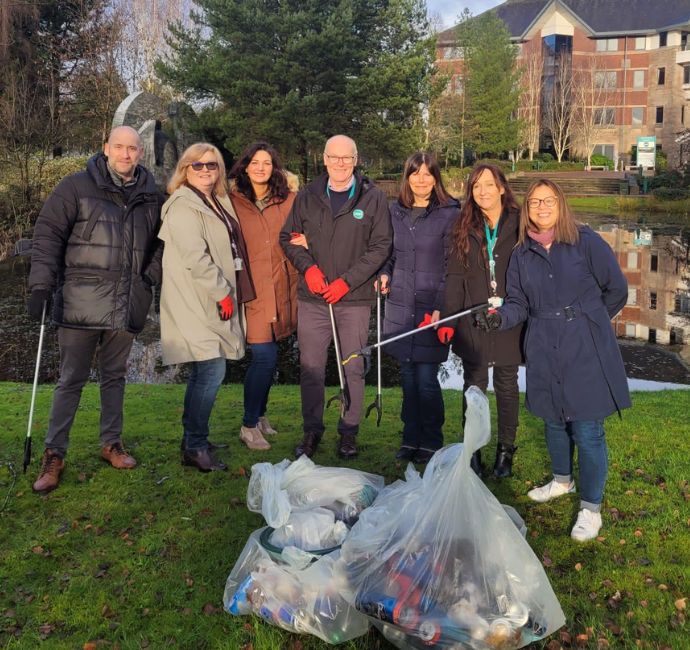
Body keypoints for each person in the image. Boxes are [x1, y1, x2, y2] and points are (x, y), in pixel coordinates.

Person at [477, 179, 630, 541]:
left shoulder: (586, 242)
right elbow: (518, 303)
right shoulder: (521, 253)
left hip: (585, 345)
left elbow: (617, 290)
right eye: (534, 203)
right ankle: (562, 480)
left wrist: (588, 322)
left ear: (560, 204)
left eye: (548, 201)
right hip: (543, 343)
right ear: (527, 209)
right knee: (554, 421)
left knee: (588, 429)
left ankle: (591, 508)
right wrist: (499, 318)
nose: (541, 208)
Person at [28, 126, 164, 493]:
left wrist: (147, 279)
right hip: (79, 301)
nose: (126, 154)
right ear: (105, 148)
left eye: (132, 148)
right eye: (118, 147)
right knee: (70, 379)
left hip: (127, 301)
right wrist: (41, 286)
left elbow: (161, 245)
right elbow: (47, 235)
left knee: (114, 376)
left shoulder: (152, 195)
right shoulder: (74, 186)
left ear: (140, 152)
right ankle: (54, 452)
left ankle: (111, 442)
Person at [279, 135, 392, 460]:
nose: (340, 163)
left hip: (353, 299)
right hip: (313, 300)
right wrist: (308, 268)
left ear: (355, 160)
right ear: (324, 159)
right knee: (311, 367)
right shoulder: (308, 196)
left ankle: (348, 433)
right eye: (334, 157)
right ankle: (312, 431)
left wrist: (346, 282)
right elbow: (287, 238)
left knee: (353, 368)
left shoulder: (373, 198)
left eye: (347, 158)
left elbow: (381, 246)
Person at [158, 143, 255, 472]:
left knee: (202, 372)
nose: (205, 171)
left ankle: (192, 438)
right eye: (197, 165)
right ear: (185, 169)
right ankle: (196, 447)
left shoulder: (215, 199)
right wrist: (223, 294)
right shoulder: (182, 205)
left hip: (210, 298)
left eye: (211, 165)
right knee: (212, 371)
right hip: (197, 300)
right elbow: (196, 259)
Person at [439, 164, 523, 479]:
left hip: (509, 317)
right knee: (474, 384)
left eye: (489, 184)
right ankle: (472, 450)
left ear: (502, 187)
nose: (483, 191)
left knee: (506, 383)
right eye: (476, 186)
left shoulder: (520, 223)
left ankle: (506, 450)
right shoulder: (464, 225)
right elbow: (454, 275)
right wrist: (447, 318)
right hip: (472, 317)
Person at [377, 152, 458, 464]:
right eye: (415, 174)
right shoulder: (395, 211)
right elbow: (390, 254)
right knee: (408, 378)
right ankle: (410, 437)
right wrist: (384, 273)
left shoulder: (450, 213)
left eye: (428, 174)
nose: (421, 180)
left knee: (426, 380)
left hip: (431, 308)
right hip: (399, 306)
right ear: (407, 177)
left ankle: (431, 440)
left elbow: (454, 265)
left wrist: (442, 306)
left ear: (436, 178)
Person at [228, 142, 300, 450]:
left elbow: (305, 233)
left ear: (275, 168)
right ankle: (247, 424)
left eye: (267, 163)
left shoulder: (291, 200)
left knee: (271, 358)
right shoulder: (230, 202)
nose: (260, 167)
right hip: (251, 290)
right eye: (255, 162)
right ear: (245, 166)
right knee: (264, 357)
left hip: (283, 288)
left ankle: (259, 416)